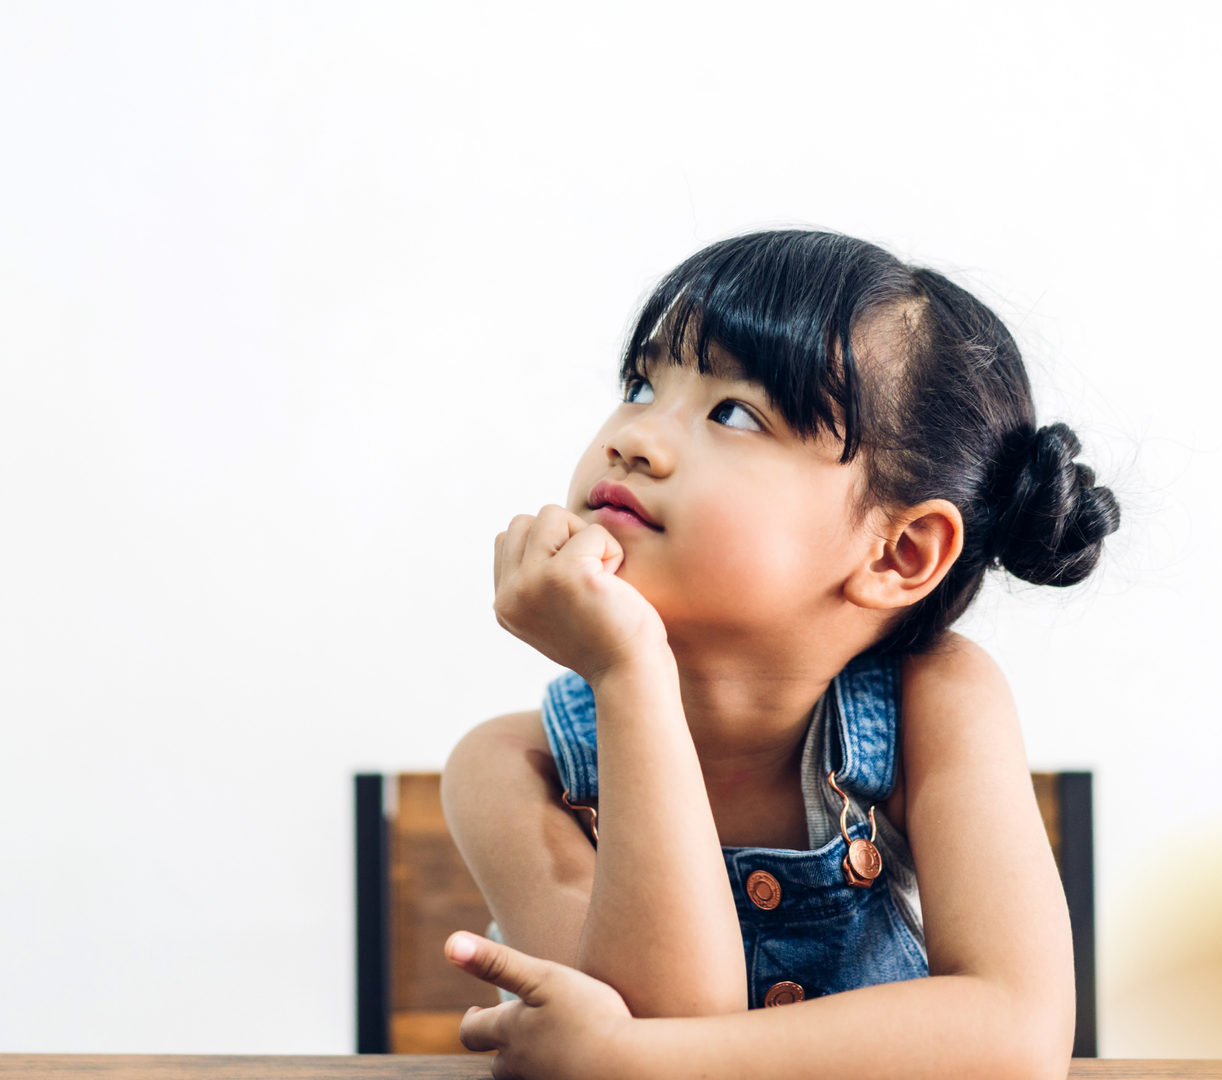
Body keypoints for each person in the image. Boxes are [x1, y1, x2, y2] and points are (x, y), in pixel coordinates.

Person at [439, 229, 1118, 1080]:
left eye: (734, 412)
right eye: (641, 384)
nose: (634, 439)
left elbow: (1018, 1038)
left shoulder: (937, 702)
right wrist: (629, 672)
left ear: (898, 555)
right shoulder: (513, 769)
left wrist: (627, 1056)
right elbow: (663, 1018)